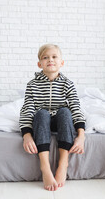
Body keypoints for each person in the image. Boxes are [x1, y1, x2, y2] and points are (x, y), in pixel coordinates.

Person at [19, 44, 85, 191]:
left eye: (54, 57)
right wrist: (27, 135)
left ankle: (63, 164)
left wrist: (81, 136)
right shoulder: (32, 85)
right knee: (41, 113)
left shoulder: (68, 84)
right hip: (41, 121)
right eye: (45, 57)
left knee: (65, 112)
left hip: (60, 120)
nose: (50, 60)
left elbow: (76, 108)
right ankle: (45, 167)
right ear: (39, 64)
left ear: (61, 62)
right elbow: (27, 110)